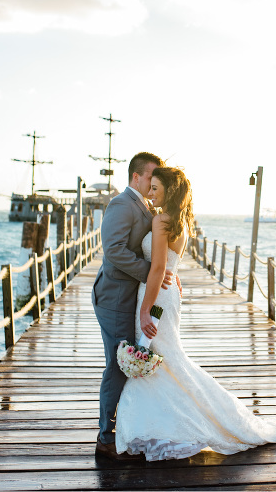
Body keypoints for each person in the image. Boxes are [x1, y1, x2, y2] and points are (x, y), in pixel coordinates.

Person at [115, 167, 276, 460]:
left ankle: (171, 425)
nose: (150, 194)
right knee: (164, 358)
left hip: (156, 295)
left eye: (155, 189)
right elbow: (170, 266)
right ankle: (160, 426)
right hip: (169, 293)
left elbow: (159, 268)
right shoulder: (182, 222)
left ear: (169, 191)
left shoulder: (162, 220)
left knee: (160, 355)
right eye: (150, 188)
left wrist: (145, 310)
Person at [92, 152, 180, 460]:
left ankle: (129, 427)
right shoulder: (120, 204)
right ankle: (105, 437)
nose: (154, 185)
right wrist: (151, 272)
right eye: (150, 179)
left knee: (129, 362)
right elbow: (113, 250)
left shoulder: (145, 206)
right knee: (117, 364)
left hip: (134, 296)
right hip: (115, 298)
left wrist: (168, 271)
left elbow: (159, 252)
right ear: (136, 177)